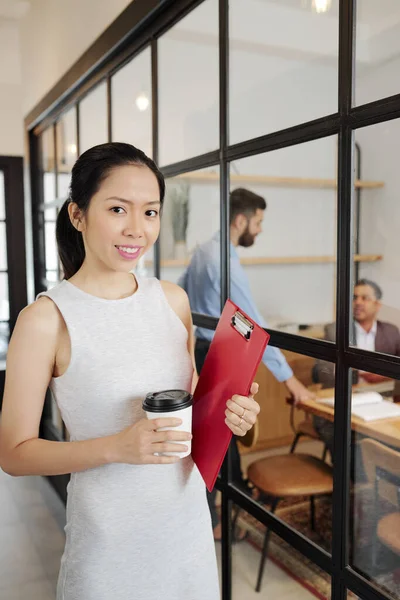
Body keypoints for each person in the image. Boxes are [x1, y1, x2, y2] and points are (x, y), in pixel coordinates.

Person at [0, 143, 261, 600]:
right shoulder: (46, 319)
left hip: (187, 537)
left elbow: (196, 409)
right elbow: (14, 454)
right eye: (118, 208)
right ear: (77, 215)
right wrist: (116, 446)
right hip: (108, 552)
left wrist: (234, 414)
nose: (137, 229)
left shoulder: (171, 300)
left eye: (151, 212)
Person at [178, 187, 313, 540]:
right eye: (259, 222)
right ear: (241, 220)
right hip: (214, 355)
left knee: (218, 439)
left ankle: (224, 511)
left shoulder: (204, 251)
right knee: (215, 441)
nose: (261, 229)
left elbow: (182, 295)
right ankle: (214, 524)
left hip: (205, 351)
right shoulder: (222, 259)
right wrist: (288, 378)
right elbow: (253, 324)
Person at [313, 278, 400, 458]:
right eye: (354, 297)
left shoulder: (391, 331)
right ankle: (356, 483)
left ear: (377, 305)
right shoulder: (336, 330)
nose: (358, 302)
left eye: (364, 298)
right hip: (343, 403)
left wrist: (384, 374)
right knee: (350, 450)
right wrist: (357, 371)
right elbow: (322, 372)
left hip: (382, 403)